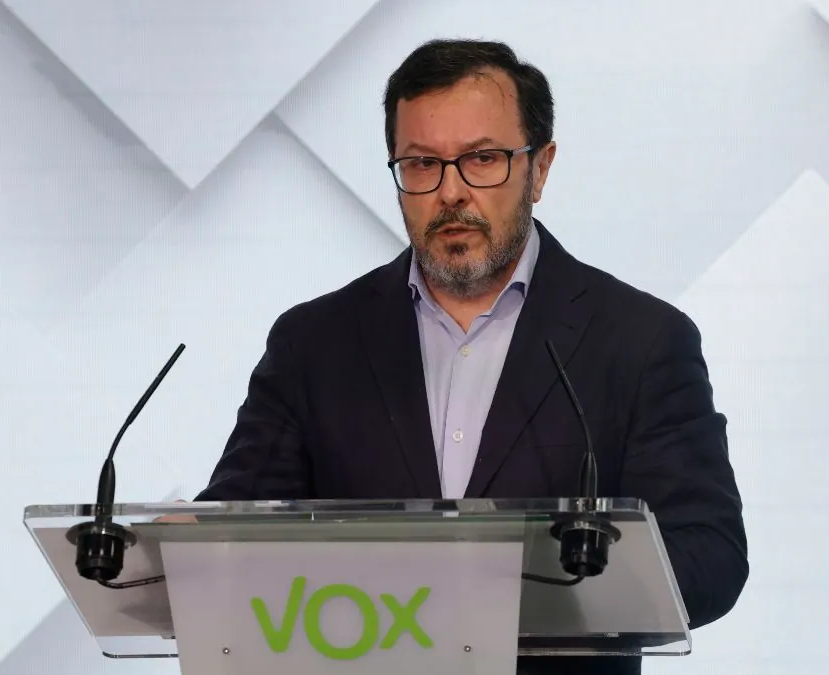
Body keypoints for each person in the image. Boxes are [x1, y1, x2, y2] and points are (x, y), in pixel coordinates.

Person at [194, 38, 748, 674]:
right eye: (422, 164)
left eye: (483, 159)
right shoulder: (313, 343)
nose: (451, 191)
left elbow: (709, 555)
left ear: (540, 169)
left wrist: (529, 591)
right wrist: (183, 553)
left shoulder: (639, 341)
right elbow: (229, 536)